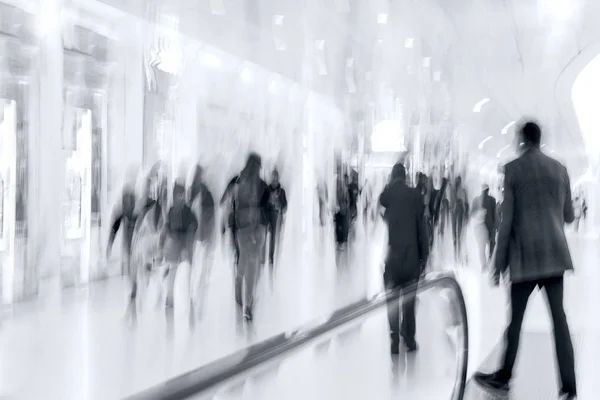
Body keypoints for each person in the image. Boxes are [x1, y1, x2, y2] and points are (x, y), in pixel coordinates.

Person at [474, 121, 577, 399]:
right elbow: (568, 216)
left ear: (522, 140)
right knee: (560, 321)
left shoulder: (513, 169)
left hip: (524, 257)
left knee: (515, 321)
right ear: (539, 139)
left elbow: (506, 222)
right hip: (554, 256)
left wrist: (498, 264)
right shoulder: (560, 169)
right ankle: (569, 387)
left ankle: (504, 377)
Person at [379, 163, 429, 354]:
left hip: (392, 259)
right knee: (409, 301)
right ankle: (409, 340)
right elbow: (422, 229)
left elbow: (382, 199)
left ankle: (393, 341)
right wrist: (424, 257)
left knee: (392, 301)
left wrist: (389, 183)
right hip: (411, 259)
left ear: (393, 177)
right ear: (406, 176)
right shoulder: (416, 196)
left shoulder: (390, 195)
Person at [230, 153, 269, 321]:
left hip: (241, 228)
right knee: (252, 263)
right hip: (254, 227)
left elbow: (231, 203)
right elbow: (261, 207)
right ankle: (248, 304)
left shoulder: (238, 181)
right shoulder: (257, 185)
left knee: (245, 259)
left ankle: (240, 286)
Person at [160, 182, 198, 309]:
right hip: (177, 242)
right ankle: (170, 298)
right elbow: (167, 227)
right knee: (174, 270)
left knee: (185, 270)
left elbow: (194, 225)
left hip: (183, 242)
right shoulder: (174, 210)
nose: (180, 197)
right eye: (178, 195)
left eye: (182, 195)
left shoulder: (186, 210)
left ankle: (190, 296)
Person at [188, 164, 216, 315]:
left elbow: (210, 215)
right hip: (197, 235)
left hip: (200, 235)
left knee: (198, 264)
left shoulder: (203, 193)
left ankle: (196, 291)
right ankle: (194, 292)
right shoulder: (196, 192)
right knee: (197, 264)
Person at [107, 185, 138, 304]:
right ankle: (132, 298)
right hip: (127, 250)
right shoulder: (121, 215)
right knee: (129, 277)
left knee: (134, 276)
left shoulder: (138, 215)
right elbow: (114, 230)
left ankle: (133, 296)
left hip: (137, 250)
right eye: (125, 202)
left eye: (130, 202)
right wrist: (109, 246)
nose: (128, 206)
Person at [266, 169, 287, 277]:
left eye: (276, 177)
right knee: (269, 238)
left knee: (275, 238)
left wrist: (279, 207)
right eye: (273, 177)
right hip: (268, 217)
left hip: (278, 218)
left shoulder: (281, 191)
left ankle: (273, 258)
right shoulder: (267, 190)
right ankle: (268, 258)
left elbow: (285, 206)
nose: (274, 179)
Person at [471, 184, 497, 269]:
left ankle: (484, 265)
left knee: (481, 247)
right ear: (488, 190)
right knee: (490, 245)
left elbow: (472, 214)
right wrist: (495, 227)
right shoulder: (492, 200)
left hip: (480, 227)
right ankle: (490, 263)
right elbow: (495, 214)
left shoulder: (476, 200)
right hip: (489, 226)